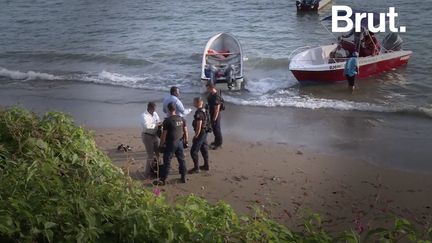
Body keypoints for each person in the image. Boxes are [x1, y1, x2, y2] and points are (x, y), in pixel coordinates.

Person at [154, 102, 188, 185]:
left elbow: (163, 135)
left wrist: (161, 145)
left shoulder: (167, 121)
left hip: (171, 143)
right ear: (175, 109)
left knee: (167, 161)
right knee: (181, 160)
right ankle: (183, 176)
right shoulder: (181, 119)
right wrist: (186, 141)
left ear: (168, 109)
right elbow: (185, 131)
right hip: (179, 142)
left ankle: (163, 179)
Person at [188, 97, 210, 174]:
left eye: (194, 102)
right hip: (205, 132)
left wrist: (196, 135)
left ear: (198, 102)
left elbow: (199, 125)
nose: (193, 103)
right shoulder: (204, 109)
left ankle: (196, 168)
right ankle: (206, 165)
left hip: (201, 133)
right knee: (204, 148)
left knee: (193, 151)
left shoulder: (199, 113)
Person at [140, 102, 161, 178]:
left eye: (155, 109)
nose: (154, 111)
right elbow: (147, 126)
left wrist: (159, 124)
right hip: (147, 136)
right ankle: (147, 173)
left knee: (158, 153)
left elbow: (158, 121)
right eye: (153, 109)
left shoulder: (155, 113)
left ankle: (157, 170)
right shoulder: (143, 115)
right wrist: (156, 125)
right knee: (150, 155)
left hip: (155, 135)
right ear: (149, 108)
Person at [206, 83, 223, 150]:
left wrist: (214, 118)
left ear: (211, 88)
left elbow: (217, 109)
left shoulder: (216, 97)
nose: (207, 90)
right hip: (211, 113)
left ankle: (219, 143)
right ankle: (216, 141)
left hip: (216, 115)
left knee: (217, 129)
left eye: (207, 88)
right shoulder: (211, 94)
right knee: (214, 129)